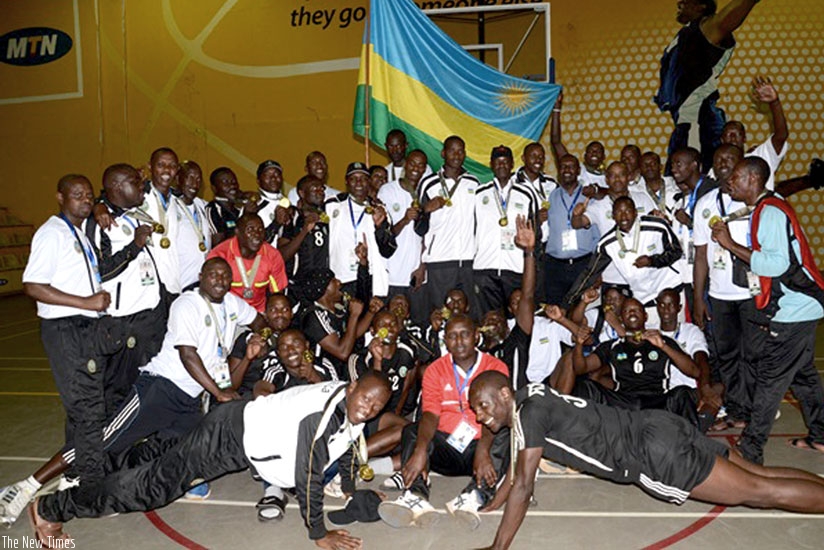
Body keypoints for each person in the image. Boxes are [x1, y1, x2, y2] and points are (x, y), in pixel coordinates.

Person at [2, 258, 264, 526]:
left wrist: (261, 337)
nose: (219, 280)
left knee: (183, 454)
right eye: (213, 274)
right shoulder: (187, 304)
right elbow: (188, 355)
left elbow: (259, 321)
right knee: (101, 440)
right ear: (201, 276)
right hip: (159, 389)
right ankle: (26, 486)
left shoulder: (232, 303)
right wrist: (218, 393)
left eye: (225, 276)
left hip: (189, 399)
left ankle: (100, 485)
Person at [27, 374, 392, 550]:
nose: (368, 408)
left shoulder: (349, 406)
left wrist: (349, 490)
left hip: (235, 427)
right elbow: (309, 475)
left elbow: (346, 444)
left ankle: (93, 473)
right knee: (151, 490)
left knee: (164, 463)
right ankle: (52, 508)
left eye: (377, 406)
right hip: (229, 437)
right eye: (366, 399)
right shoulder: (325, 415)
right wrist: (318, 532)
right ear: (354, 386)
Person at [468, 371, 824, 550]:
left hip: (653, 456)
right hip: (659, 424)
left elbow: (525, 486)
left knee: (760, 493)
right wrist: (495, 502)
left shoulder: (528, 417)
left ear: (503, 394)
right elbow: (517, 470)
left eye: (483, 406)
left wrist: (499, 548)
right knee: (760, 475)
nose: (481, 417)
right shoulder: (529, 394)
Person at [5, 175, 116, 527]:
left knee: (84, 410)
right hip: (66, 331)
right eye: (77, 195)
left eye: (89, 195)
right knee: (88, 412)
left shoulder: (79, 232)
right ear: (60, 197)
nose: (85, 200)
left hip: (86, 330)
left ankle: (73, 479)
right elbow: (32, 285)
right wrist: (84, 301)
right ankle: (90, 490)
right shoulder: (52, 233)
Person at [710, 157, 824, 464]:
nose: (729, 182)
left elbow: (776, 265)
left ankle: (750, 449)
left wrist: (730, 244)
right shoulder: (767, 207)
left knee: (770, 378)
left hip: (796, 307)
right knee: (802, 376)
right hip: (801, 305)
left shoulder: (771, 212)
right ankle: (821, 436)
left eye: (735, 176)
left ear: (752, 179)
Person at [377, 314, 510, 531]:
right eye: (452, 336)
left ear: (476, 336)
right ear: (445, 340)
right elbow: (430, 414)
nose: (459, 342)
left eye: (465, 334)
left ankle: (473, 496)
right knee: (412, 430)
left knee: (506, 432)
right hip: (446, 448)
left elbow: (497, 417)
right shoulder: (435, 370)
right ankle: (416, 496)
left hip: (481, 451)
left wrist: (483, 451)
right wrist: (420, 450)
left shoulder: (494, 367)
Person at [85, 164, 167, 415]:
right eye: (135, 182)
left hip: (149, 314)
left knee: (150, 382)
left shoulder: (132, 214)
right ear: (118, 187)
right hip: (124, 319)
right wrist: (135, 246)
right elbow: (101, 271)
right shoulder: (100, 222)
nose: (141, 186)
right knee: (119, 390)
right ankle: (114, 446)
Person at [655, 0, 764, 172]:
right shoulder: (686, 34)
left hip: (699, 120)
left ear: (701, 5)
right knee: (677, 186)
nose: (680, 2)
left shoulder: (704, 28)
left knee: (700, 185)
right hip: (686, 123)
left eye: (686, 0)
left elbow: (723, 23)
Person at [692, 144, 756, 430]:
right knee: (727, 357)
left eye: (730, 160)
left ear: (741, 164)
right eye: (718, 161)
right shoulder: (706, 204)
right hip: (719, 294)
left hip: (753, 292)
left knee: (753, 354)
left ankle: (755, 410)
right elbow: (701, 255)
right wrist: (698, 297)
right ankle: (737, 411)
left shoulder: (756, 202)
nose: (724, 165)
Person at [571, 297, 706, 428]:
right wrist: (578, 344)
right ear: (621, 319)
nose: (632, 313)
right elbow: (581, 369)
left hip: (657, 401)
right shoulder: (612, 346)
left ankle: (693, 443)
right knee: (584, 386)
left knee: (683, 393)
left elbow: (695, 371)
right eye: (627, 311)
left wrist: (663, 347)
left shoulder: (662, 340)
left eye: (636, 310)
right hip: (624, 401)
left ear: (645, 316)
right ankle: (585, 441)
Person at [566, 197, 683, 318]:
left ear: (636, 212)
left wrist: (652, 261)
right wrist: (567, 302)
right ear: (612, 216)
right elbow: (589, 273)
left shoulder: (657, 226)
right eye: (618, 212)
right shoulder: (607, 243)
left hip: (671, 292)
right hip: (644, 299)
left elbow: (676, 251)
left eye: (627, 211)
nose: (623, 216)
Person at [417, 136, 481, 317]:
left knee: (467, 316)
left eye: (461, 151)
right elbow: (419, 228)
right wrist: (425, 210)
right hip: (439, 262)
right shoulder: (429, 183)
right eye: (452, 150)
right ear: (443, 153)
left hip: (468, 261)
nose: (456, 155)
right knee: (441, 314)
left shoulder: (473, 183)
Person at [474, 146, 541, 315]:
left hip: (516, 269)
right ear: (491, 164)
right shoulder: (479, 194)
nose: (502, 165)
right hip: (485, 269)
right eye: (498, 161)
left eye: (505, 161)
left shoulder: (526, 194)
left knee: (517, 319)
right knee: (490, 321)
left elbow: (536, 232)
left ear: (512, 164)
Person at [325, 162, 396, 298]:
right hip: (340, 277)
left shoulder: (379, 209)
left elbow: (388, 250)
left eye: (363, 178)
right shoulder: (332, 205)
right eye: (354, 178)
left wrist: (379, 227)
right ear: (346, 181)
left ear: (368, 182)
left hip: (370, 277)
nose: (358, 182)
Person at [711, 76, 788, 192]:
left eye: (737, 134)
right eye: (728, 134)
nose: (732, 137)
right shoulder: (718, 168)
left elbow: (781, 136)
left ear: (745, 138)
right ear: (722, 140)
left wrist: (774, 103)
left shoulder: (760, 156)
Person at [378, 149, 427, 322]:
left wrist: (422, 266)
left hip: (415, 273)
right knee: (389, 322)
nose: (416, 168)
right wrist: (405, 219)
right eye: (413, 163)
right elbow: (384, 234)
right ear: (405, 165)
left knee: (415, 322)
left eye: (421, 165)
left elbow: (429, 235)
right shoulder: (387, 191)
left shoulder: (425, 192)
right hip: (392, 271)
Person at [544, 154, 599, 305]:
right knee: (555, 312)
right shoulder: (550, 197)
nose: (566, 170)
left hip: (584, 265)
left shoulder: (590, 196)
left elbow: (598, 233)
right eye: (563, 166)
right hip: (555, 267)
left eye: (571, 166)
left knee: (582, 312)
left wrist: (595, 268)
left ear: (578, 170)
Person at [207, 212, 289, 312]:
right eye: (250, 229)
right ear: (237, 232)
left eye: (260, 230)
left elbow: (278, 296)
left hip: (258, 312)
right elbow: (210, 294)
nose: (257, 234)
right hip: (227, 311)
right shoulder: (220, 255)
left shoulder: (273, 256)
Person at [549, 92, 607, 189]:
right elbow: (556, 142)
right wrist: (556, 108)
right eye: (590, 151)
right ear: (584, 156)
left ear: (604, 157)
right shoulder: (575, 169)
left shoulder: (609, 177)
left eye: (598, 151)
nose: (594, 153)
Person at [172, 160, 211, 290]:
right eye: (190, 178)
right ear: (178, 179)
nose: (195, 184)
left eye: (199, 179)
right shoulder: (168, 206)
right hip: (179, 283)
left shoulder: (203, 205)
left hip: (202, 283)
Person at [245, 160, 293, 245]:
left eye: (277, 174)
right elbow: (250, 242)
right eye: (267, 175)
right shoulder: (253, 206)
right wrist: (276, 224)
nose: (273, 178)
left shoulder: (289, 204)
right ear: (258, 181)